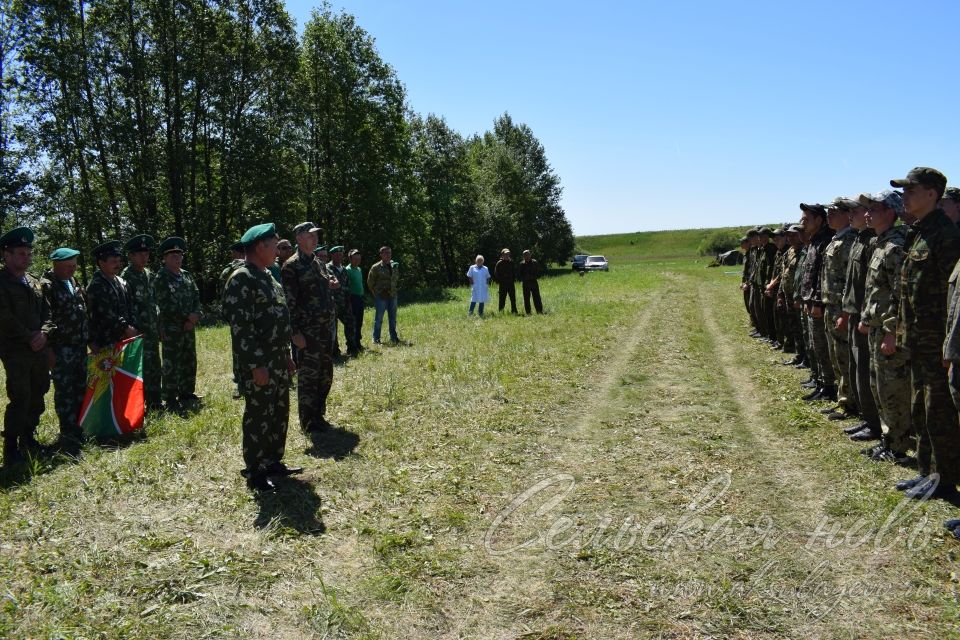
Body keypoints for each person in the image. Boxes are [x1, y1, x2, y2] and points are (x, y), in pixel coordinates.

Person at [888, 167, 960, 499]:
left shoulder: (946, 236)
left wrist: (949, 346)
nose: (905, 196)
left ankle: (943, 480)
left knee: (938, 413)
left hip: (935, 341)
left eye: (911, 190)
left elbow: (952, 297)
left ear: (932, 194)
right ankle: (927, 472)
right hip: (917, 338)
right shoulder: (919, 232)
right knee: (921, 407)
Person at [223, 223, 300, 492]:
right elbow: (241, 329)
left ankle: (273, 461)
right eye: (274, 245)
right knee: (259, 415)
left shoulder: (268, 275)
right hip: (260, 362)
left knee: (279, 411)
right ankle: (255, 472)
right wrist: (256, 365)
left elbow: (279, 319)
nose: (279, 250)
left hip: (278, 359)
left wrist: (287, 356)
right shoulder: (242, 278)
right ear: (259, 247)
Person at [858, 191, 912, 463]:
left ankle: (898, 446)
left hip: (890, 330)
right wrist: (867, 318)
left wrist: (892, 331)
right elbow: (876, 291)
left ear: (890, 212)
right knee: (879, 385)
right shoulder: (880, 244)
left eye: (874, 209)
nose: (867, 214)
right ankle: (888, 439)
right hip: (877, 326)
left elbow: (901, 295)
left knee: (893, 390)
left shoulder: (895, 247)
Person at [0, 227, 53, 465]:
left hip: (38, 349)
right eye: (21, 253)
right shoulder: (2, 282)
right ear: (6, 255)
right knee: (20, 397)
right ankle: (11, 449)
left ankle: (28, 439)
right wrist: (29, 337)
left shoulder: (34, 282)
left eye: (28, 253)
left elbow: (48, 313)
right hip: (15, 350)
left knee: (39, 392)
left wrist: (43, 333)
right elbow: (4, 316)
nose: (26, 257)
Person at [282, 222, 338, 433]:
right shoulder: (291, 266)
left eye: (315, 236)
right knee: (308, 377)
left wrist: (330, 284)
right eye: (309, 236)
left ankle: (318, 414)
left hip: (325, 330)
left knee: (325, 374)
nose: (314, 239)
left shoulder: (318, 263)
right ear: (298, 238)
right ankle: (308, 421)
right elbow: (289, 302)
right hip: (307, 332)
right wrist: (294, 333)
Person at [40, 247, 89, 449]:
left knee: (80, 388)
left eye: (74, 265)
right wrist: (49, 349)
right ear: (56, 265)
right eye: (68, 266)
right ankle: (67, 433)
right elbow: (45, 318)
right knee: (65, 391)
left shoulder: (73, 281)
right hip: (61, 348)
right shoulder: (48, 286)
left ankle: (81, 427)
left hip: (78, 346)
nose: (72, 269)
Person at [153, 237, 202, 412]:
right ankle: (170, 397)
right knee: (172, 363)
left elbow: (196, 296)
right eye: (173, 255)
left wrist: (196, 314)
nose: (178, 258)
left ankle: (187, 392)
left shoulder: (186, 275)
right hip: (172, 328)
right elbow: (164, 304)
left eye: (179, 255)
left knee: (189, 359)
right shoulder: (161, 277)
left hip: (189, 327)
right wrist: (187, 318)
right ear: (164, 258)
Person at [798, 203, 837, 402]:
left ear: (818, 220)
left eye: (806, 219)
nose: (802, 223)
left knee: (822, 347)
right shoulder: (814, 240)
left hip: (819, 304)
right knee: (815, 345)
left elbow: (823, 276)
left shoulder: (825, 241)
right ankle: (821, 382)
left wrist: (817, 302)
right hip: (811, 301)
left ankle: (828, 387)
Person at [121, 235, 162, 412]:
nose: (144, 257)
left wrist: (159, 325)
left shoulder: (148, 274)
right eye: (139, 254)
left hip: (151, 329)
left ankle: (155, 403)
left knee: (154, 366)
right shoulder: (125, 277)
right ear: (130, 256)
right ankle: (139, 407)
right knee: (140, 369)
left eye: (146, 254)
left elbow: (154, 302)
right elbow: (124, 307)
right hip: (136, 333)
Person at [87, 239, 137, 350]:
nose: (118, 264)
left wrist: (132, 327)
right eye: (114, 261)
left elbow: (131, 307)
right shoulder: (97, 285)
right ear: (101, 262)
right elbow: (107, 313)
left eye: (119, 261)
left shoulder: (122, 282)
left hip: (126, 338)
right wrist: (126, 328)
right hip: (106, 341)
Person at [220, 240, 246, 399]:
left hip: (236, 316)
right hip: (243, 315)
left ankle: (240, 381)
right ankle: (241, 382)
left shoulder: (229, 271)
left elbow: (222, 295)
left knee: (239, 348)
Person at [327, 246, 357, 356]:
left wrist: (349, 301)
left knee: (350, 323)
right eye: (337, 255)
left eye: (341, 254)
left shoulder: (344, 269)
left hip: (344, 302)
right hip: (333, 303)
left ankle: (352, 347)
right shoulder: (327, 268)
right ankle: (335, 351)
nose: (339, 257)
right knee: (333, 328)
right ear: (332, 255)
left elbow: (347, 286)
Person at [367, 246, 400, 344]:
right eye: (385, 253)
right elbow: (370, 282)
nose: (388, 255)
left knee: (393, 319)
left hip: (393, 296)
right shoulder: (376, 267)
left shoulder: (394, 265)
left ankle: (393, 337)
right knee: (379, 319)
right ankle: (376, 339)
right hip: (381, 297)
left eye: (389, 253)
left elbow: (395, 279)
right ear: (381, 254)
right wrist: (376, 293)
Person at [344, 249, 366, 351]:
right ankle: (352, 345)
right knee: (353, 323)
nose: (357, 261)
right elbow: (346, 287)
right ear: (350, 259)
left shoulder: (359, 269)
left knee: (359, 322)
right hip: (352, 299)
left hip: (360, 298)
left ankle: (358, 342)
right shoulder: (347, 270)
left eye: (359, 259)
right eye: (355, 259)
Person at [517, 249, 544, 314]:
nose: (527, 256)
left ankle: (539, 311)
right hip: (525, 283)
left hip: (534, 282)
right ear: (523, 256)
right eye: (525, 255)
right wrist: (524, 279)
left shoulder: (535, 262)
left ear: (530, 255)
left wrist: (535, 277)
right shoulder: (521, 264)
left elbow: (538, 271)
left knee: (537, 297)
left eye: (528, 254)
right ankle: (528, 312)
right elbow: (519, 274)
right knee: (526, 298)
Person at [494, 248, 518, 314]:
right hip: (502, 284)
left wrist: (513, 279)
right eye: (506, 254)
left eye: (508, 254)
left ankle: (514, 311)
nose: (507, 255)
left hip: (511, 283)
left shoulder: (511, 262)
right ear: (502, 255)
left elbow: (514, 272)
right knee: (502, 299)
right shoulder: (499, 263)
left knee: (513, 298)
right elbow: (496, 273)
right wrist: (500, 281)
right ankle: (501, 312)